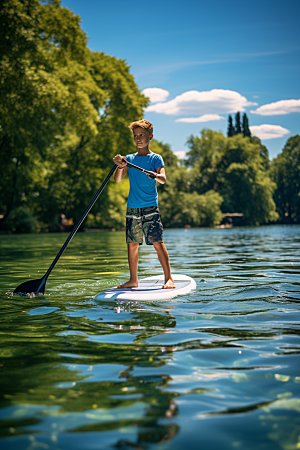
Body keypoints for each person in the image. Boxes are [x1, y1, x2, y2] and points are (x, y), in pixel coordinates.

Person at [113, 119, 175, 289]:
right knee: (132, 244)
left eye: (142, 135)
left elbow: (163, 178)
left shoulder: (155, 158)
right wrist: (119, 166)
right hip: (132, 208)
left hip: (150, 207)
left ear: (150, 137)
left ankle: (168, 278)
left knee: (157, 241)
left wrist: (154, 175)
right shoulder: (129, 159)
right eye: (135, 136)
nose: (138, 139)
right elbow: (117, 180)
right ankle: (133, 280)